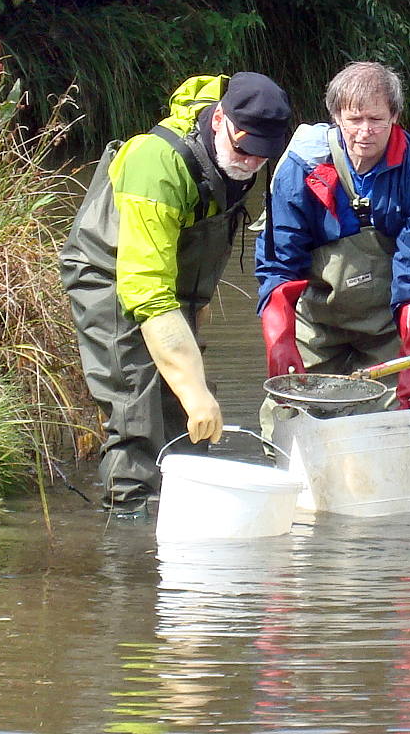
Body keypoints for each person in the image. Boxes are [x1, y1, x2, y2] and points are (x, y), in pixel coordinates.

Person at [59, 72, 292, 516]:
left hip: (173, 286)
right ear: (219, 119)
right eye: (244, 150)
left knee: (188, 421)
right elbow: (147, 290)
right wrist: (194, 391)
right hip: (112, 277)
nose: (250, 163)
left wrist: (192, 372)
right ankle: (128, 528)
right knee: (137, 406)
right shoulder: (158, 164)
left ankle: (184, 516)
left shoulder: (236, 156)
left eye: (263, 155)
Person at [255, 61, 410, 441]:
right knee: (286, 420)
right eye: (354, 119)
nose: (365, 132)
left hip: (387, 322)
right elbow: (280, 267)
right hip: (315, 317)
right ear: (336, 118)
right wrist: (280, 343)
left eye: (376, 119)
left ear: (394, 116)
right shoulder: (301, 167)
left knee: (390, 429)